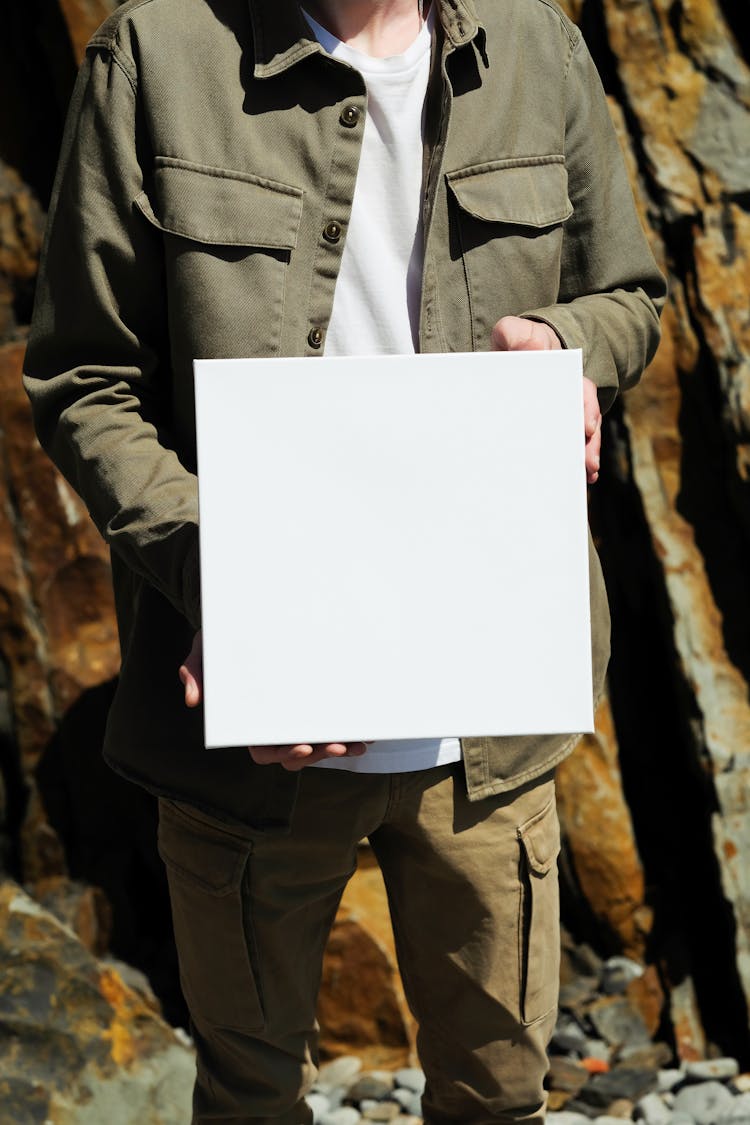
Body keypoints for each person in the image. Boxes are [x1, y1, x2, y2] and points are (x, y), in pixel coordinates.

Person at [24, 0, 665, 1120]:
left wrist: (571, 348)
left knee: (502, 1095)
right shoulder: (157, 56)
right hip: (256, 726)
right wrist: (223, 578)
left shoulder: (536, 44)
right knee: (247, 1099)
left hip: (489, 723)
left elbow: (631, 296)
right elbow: (84, 379)